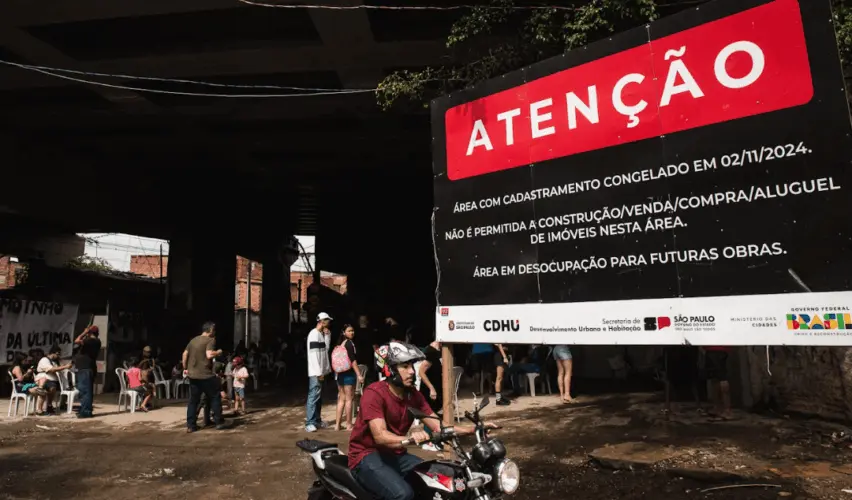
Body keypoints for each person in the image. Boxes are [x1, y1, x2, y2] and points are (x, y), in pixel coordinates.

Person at [349, 341, 496, 500]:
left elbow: (438, 425)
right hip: (366, 456)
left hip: (395, 455)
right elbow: (380, 435)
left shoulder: (413, 395)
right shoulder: (374, 394)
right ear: (389, 369)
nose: (412, 371)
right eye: (405, 367)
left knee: (437, 479)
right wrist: (410, 438)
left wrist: (473, 429)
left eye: (412, 366)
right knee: (403, 494)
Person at [182, 321, 226, 432]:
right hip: (206, 375)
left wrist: (185, 368)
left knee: (193, 401)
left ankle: (191, 425)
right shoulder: (210, 340)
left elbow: (184, 354)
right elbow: (209, 354)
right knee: (215, 396)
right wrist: (219, 352)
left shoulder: (193, 340)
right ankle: (218, 422)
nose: (215, 332)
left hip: (193, 376)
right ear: (210, 330)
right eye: (214, 330)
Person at [334, 324, 364, 431]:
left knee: (341, 399)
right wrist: (359, 375)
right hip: (348, 374)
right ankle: (349, 424)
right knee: (349, 399)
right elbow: (353, 361)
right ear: (344, 332)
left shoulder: (340, 344)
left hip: (339, 374)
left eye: (352, 330)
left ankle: (337, 425)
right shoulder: (350, 344)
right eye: (349, 331)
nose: (352, 333)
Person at [306, 312, 332, 432]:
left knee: (318, 397)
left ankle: (317, 420)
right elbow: (314, 355)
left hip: (320, 371)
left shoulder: (320, 334)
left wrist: (327, 336)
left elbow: (325, 350)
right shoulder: (313, 334)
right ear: (322, 321)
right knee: (313, 396)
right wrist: (319, 372)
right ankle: (310, 422)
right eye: (327, 320)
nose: (329, 323)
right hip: (316, 372)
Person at [73, 325, 102, 418]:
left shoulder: (92, 341)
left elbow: (76, 340)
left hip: (86, 368)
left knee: (85, 391)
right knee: (83, 390)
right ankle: (84, 409)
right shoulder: (93, 341)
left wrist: (84, 333)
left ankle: (86, 411)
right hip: (85, 368)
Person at [36, 345, 72, 415]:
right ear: (53, 353)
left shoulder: (55, 361)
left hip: (54, 381)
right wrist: (65, 366)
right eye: (58, 354)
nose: (58, 356)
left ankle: (61, 404)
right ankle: (42, 408)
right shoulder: (44, 360)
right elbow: (51, 370)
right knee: (51, 387)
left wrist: (65, 366)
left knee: (68, 388)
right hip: (44, 379)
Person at [704, 346, 733, 419]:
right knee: (715, 379)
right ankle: (718, 407)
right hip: (715, 349)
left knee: (722, 379)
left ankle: (727, 410)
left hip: (717, 349)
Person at [417, 340, 443, 413]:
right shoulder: (431, 352)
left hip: (436, 386)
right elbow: (421, 372)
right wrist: (432, 389)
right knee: (429, 413)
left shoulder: (438, 350)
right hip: (429, 390)